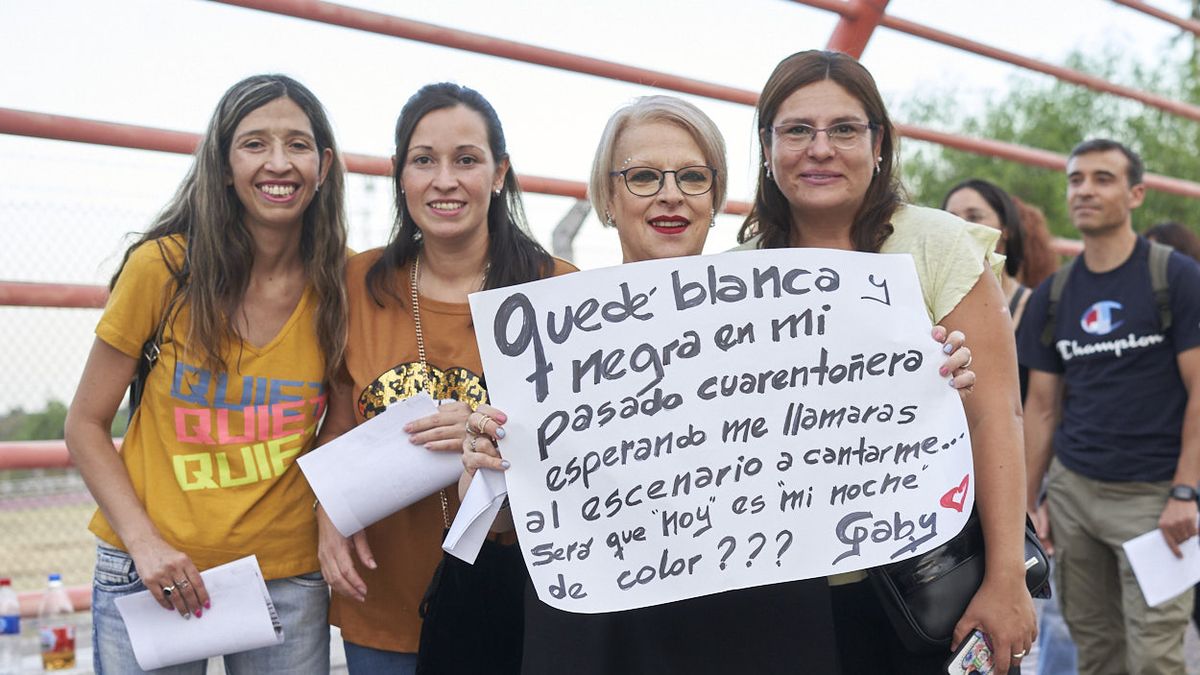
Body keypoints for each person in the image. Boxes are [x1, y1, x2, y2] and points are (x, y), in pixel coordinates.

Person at [461, 94, 977, 674]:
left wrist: (926, 386)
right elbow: (502, 527)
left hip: (760, 627)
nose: (670, 193)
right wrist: (484, 469)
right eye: (643, 177)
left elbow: (865, 445)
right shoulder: (546, 337)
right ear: (607, 198)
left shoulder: (793, 315)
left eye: (692, 176)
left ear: (714, 196)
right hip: (603, 636)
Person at [737, 50, 1036, 674]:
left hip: (923, 588)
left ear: (879, 145)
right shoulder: (737, 273)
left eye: (844, 129)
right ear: (767, 148)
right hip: (782, 596)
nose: (820, 148)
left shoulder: (935, 242)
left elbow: (996, 417)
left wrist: (1007, 579)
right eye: (796, 130)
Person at [63, 74, 347, 673]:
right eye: (254, 144)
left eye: (297, 145)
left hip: (285, 576)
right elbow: (84, 425)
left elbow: (339, 424)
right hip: (152, 572)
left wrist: (330, 523)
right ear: (222, 164)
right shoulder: (162, 269)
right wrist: (144, 545)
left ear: (323, 165)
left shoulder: (341, 283)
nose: (278, 163)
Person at [313, 82, 573, 674]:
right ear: (400, 175)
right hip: (381, 601)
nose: (444, 179)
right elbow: (339, 422)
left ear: (499, 173)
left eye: (467, 159)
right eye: (423, 159)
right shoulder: (356, 283)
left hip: (517, 599)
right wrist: (327, 512)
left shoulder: (557, 288)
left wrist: (489, 434)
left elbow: (582, 446)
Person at [1018, 139, 1200, 675]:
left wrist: (1186, 491)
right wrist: (1030, 504)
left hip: (1155, 500)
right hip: (1075, 497)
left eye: (1103, 178)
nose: (1085, 190)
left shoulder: (1176, 277)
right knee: (1095, 653)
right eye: (1076, 179)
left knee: (1154, 657)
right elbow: (1041, 408)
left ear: (1136, 193)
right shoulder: (1054, 295)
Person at [945, 181, 1077, 673]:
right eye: (951, 216)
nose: (962, 228)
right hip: (957, 484)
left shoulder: (1038, 305)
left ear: (1007, 229)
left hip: (1019, 476)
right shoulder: (926, 301)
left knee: (1048, 617)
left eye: (974, 215)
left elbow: (1044, 407)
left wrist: (1033, 498)